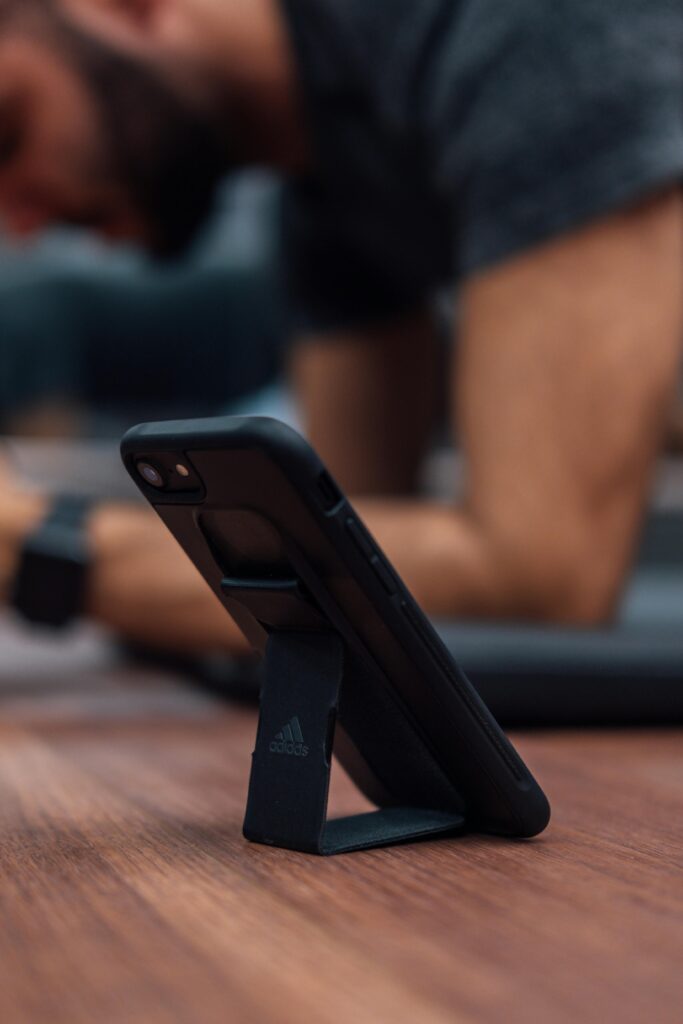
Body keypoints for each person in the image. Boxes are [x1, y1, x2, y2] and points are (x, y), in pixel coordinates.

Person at [0, 0, 682, 653]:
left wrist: (38, 546)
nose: (19, 225)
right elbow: (347, 559)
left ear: (127, 3)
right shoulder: (318, 185)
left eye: (10, 132)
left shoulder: (531, 27)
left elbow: (541, 579)